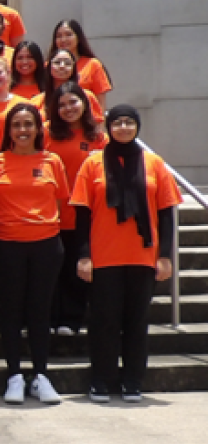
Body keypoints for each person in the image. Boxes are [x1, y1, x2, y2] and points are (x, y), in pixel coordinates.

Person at [71, 105, 181, 403]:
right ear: (108, 127)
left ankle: (133, 381)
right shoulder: (93, 164)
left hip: (143, 256)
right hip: (104, 257)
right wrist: (84, 256)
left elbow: (166, 213)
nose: (122, 127)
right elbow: (81, 215)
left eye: (129, 122)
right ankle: (101, 380)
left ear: (137, 127)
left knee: (136, 321)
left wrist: (166, 256)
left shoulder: (154, 163)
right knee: (104, 321)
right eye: (117, 122)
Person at [0, 103, 68, 405]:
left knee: (40, 311)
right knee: (11, 310)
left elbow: (59, 203)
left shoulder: (52, 161)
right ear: (8, 131)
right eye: (16, 125)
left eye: (28, 124)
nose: (22, 130)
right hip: (7, 245)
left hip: (46, 245)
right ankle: (14, 375)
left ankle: (41, 376)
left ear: (37, 128)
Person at [44, 82, 108, 336]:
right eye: (62, 104)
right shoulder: (46, 133)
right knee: (51, 272)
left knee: (77, 269)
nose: (68, 108)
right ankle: (48, 319)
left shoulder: (98, 138)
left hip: (85, 216)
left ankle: (72, 319)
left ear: (85, 103)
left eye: (73, 102)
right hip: (50, 214)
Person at [31, 49, 106, 124]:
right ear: (49, 66)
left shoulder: (88, 96)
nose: (62, 66)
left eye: (67, 63)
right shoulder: (36, 101)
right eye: (57, 62)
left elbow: (98, 129)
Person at [51, 19, 113, 109]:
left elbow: (101, 104)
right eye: (59, 36)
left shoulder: (93, 65)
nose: (63, 39)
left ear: (78, 38)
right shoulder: (48, 66)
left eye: (68, 35)